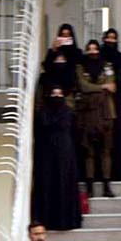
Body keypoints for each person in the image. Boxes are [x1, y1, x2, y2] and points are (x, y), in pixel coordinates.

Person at [31, 87, 81, 232]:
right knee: (48, 182)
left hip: (65, 152)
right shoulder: (43, 113)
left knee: (64, 181)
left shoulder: (68, 112)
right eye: (54, 94)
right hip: (46, 153)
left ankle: (65, 219)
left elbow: (71, 130)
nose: (56, 97)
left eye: (60, 94)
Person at [77, 40, 117, 199]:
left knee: (106, 150)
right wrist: (102, 88)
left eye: (95, 49)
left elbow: (112, 86)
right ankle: (90, 187)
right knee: (89, 152)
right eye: (89, 49)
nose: (93, 52)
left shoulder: (107, 66)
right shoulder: (80, 67)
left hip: (107, 113)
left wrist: (97, 89)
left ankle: (107, 185)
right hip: (87, 113)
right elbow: (83, 86)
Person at [101, 29, 121, 183]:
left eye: (113, 38)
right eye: (108, 38)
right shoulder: (97, 57)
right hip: (100, 100)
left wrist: (112, 82)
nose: (110, 41)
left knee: (118, 134)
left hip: (117, 99)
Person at [41, 23, 82, 103]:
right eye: (63, 35)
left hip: (70, 89)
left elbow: (76, 65)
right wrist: (54, 51)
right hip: (54, 90)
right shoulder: (53, 51)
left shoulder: (77, 52)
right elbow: (47, 68)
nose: (65, 38)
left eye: (68, 35)